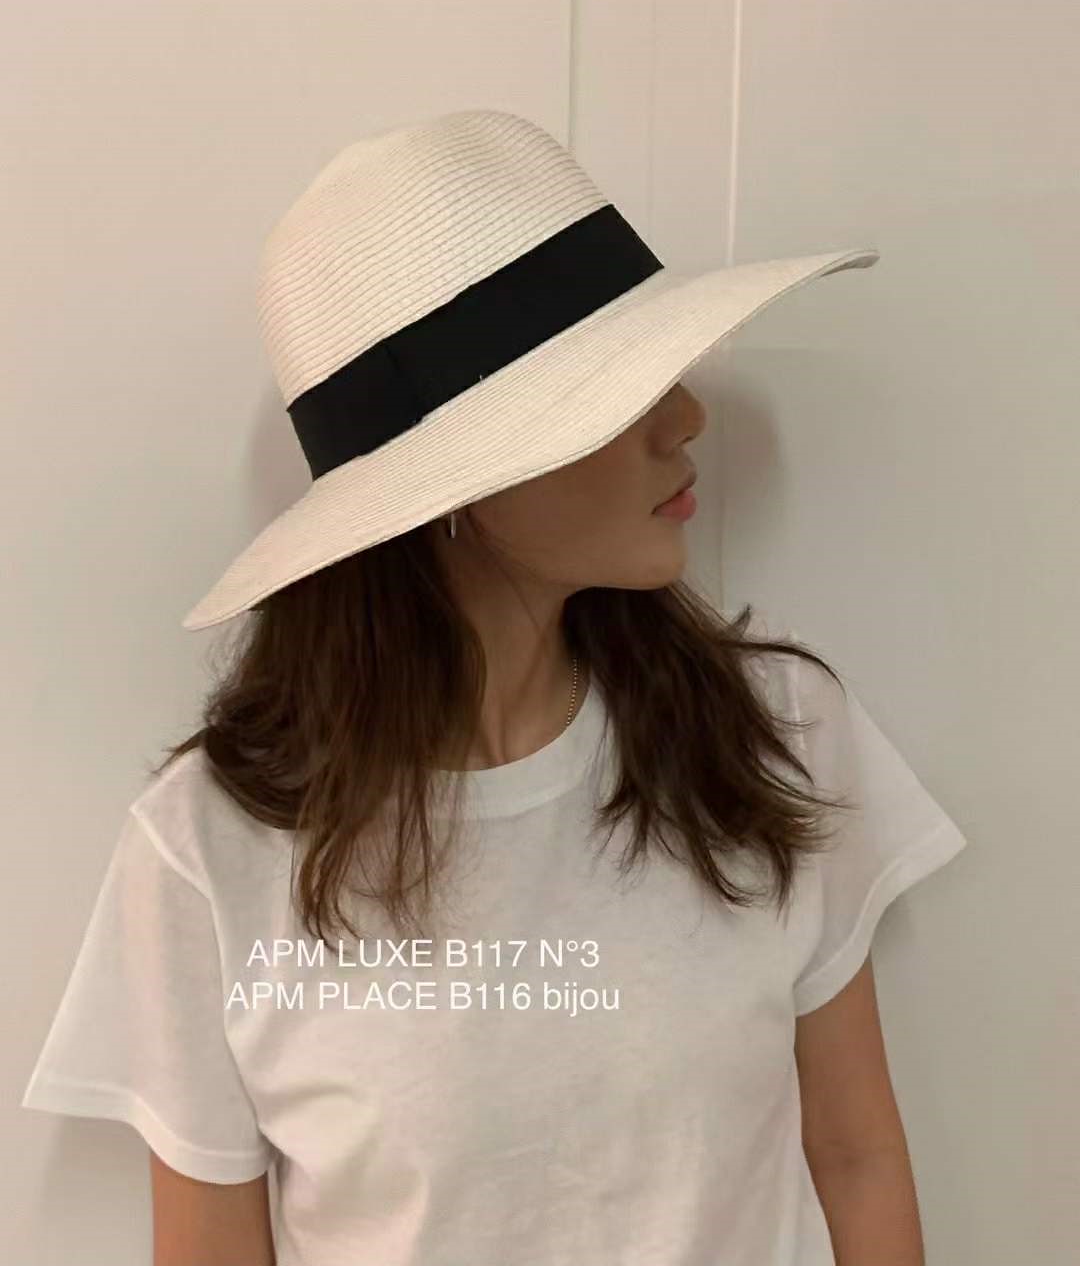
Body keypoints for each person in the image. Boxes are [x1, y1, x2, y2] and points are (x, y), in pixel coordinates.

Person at [21, 108, 967, 1265]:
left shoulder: (771, 734)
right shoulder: (212, 849)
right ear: (454, 491)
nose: (686, 419)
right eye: (614, 391)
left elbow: (857, 1158)